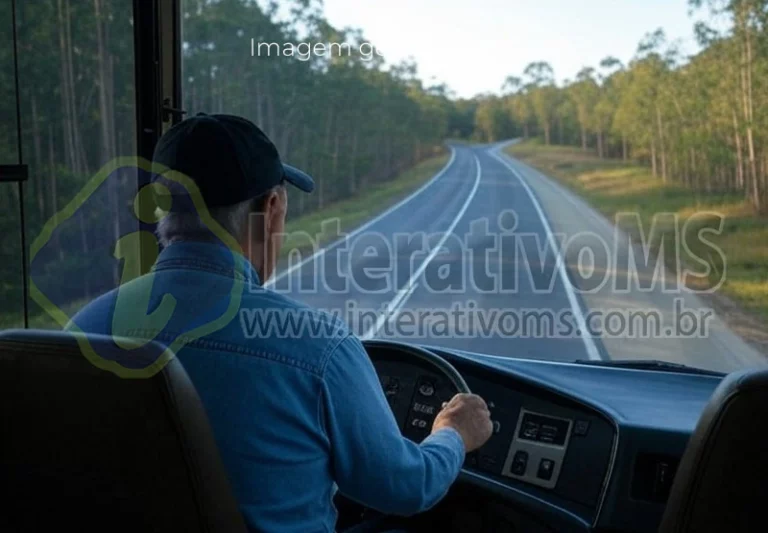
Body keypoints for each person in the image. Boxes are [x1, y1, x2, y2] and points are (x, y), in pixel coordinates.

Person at [68, 113, 493, 532]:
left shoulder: (80, 330)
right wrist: (453, 432)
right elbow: (406, 487)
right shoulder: (318, 348)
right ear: (271, 208)